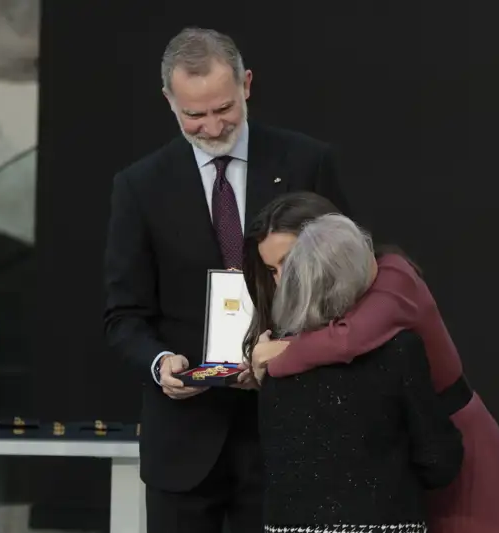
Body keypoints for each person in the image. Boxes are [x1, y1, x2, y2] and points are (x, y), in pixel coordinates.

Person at [103, 27, 350, 533]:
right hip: (185, 445)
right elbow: (124, 315)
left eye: (224, 108)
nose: (213, 126)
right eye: (194, 114)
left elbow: (349, 287)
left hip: (288, 430)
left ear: (247, 85)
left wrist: (295, 349)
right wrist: (159, 364)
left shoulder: (307, 162)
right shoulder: (139, 186)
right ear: (169, 102)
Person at [243, 191, 499, 533]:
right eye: (272, 269)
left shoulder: (391, 275)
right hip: (395, 475)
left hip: (454, 444)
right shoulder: (320, 306)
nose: (283, 279)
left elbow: (347, 340)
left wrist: (276, 360)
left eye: (289, 260)